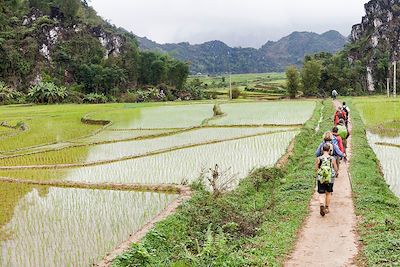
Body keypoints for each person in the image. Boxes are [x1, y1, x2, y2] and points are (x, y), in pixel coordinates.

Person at [315, 143, 338, 216]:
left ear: (322, 150)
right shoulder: (332, 159)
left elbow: (316, 169)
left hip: (321, 178)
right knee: (328, 193)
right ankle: (327, 207)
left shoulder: (318, 158)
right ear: (329, 150)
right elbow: (336, 168)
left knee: (321, 194)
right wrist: (336, 173)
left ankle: (322, 204)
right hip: (330, 177)